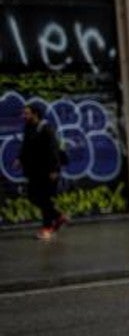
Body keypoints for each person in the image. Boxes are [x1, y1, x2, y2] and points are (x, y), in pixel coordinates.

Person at [16, 103, 69, 241]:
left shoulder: (46, 128)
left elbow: (54, 151)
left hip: (47, 171)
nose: (24, 116)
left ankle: (47, 229)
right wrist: (19, 159)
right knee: (33, 196)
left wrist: (54, 170)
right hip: (34, 171)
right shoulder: (29, 127)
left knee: (45, 200)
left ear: (35, 114)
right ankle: (58, 216)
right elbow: (26, 146)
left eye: (27, 113)